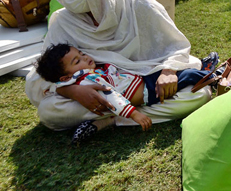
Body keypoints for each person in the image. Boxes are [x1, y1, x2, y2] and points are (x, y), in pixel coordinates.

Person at [24, 0, 212, 131]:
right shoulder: (64, 21)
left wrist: (169, 70)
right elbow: (43, 74)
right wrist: (72, 91)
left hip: (147, 76)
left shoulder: (136, 3)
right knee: (49, 111)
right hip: (98, 89)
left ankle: (114, 117)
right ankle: (125, 112)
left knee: (198, 94)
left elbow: (175, 45)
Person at [35, 44, 218, 142]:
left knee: (184, 74)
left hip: (143, 79)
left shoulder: (91, 71)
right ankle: (211, 74)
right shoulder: (88, 80)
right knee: (187, 77)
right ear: (66, 77)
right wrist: (134, 114)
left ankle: (204, 71)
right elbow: (112, 97)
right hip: (147, 92)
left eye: (82, 53)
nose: (85, 58)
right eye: (77, 61)